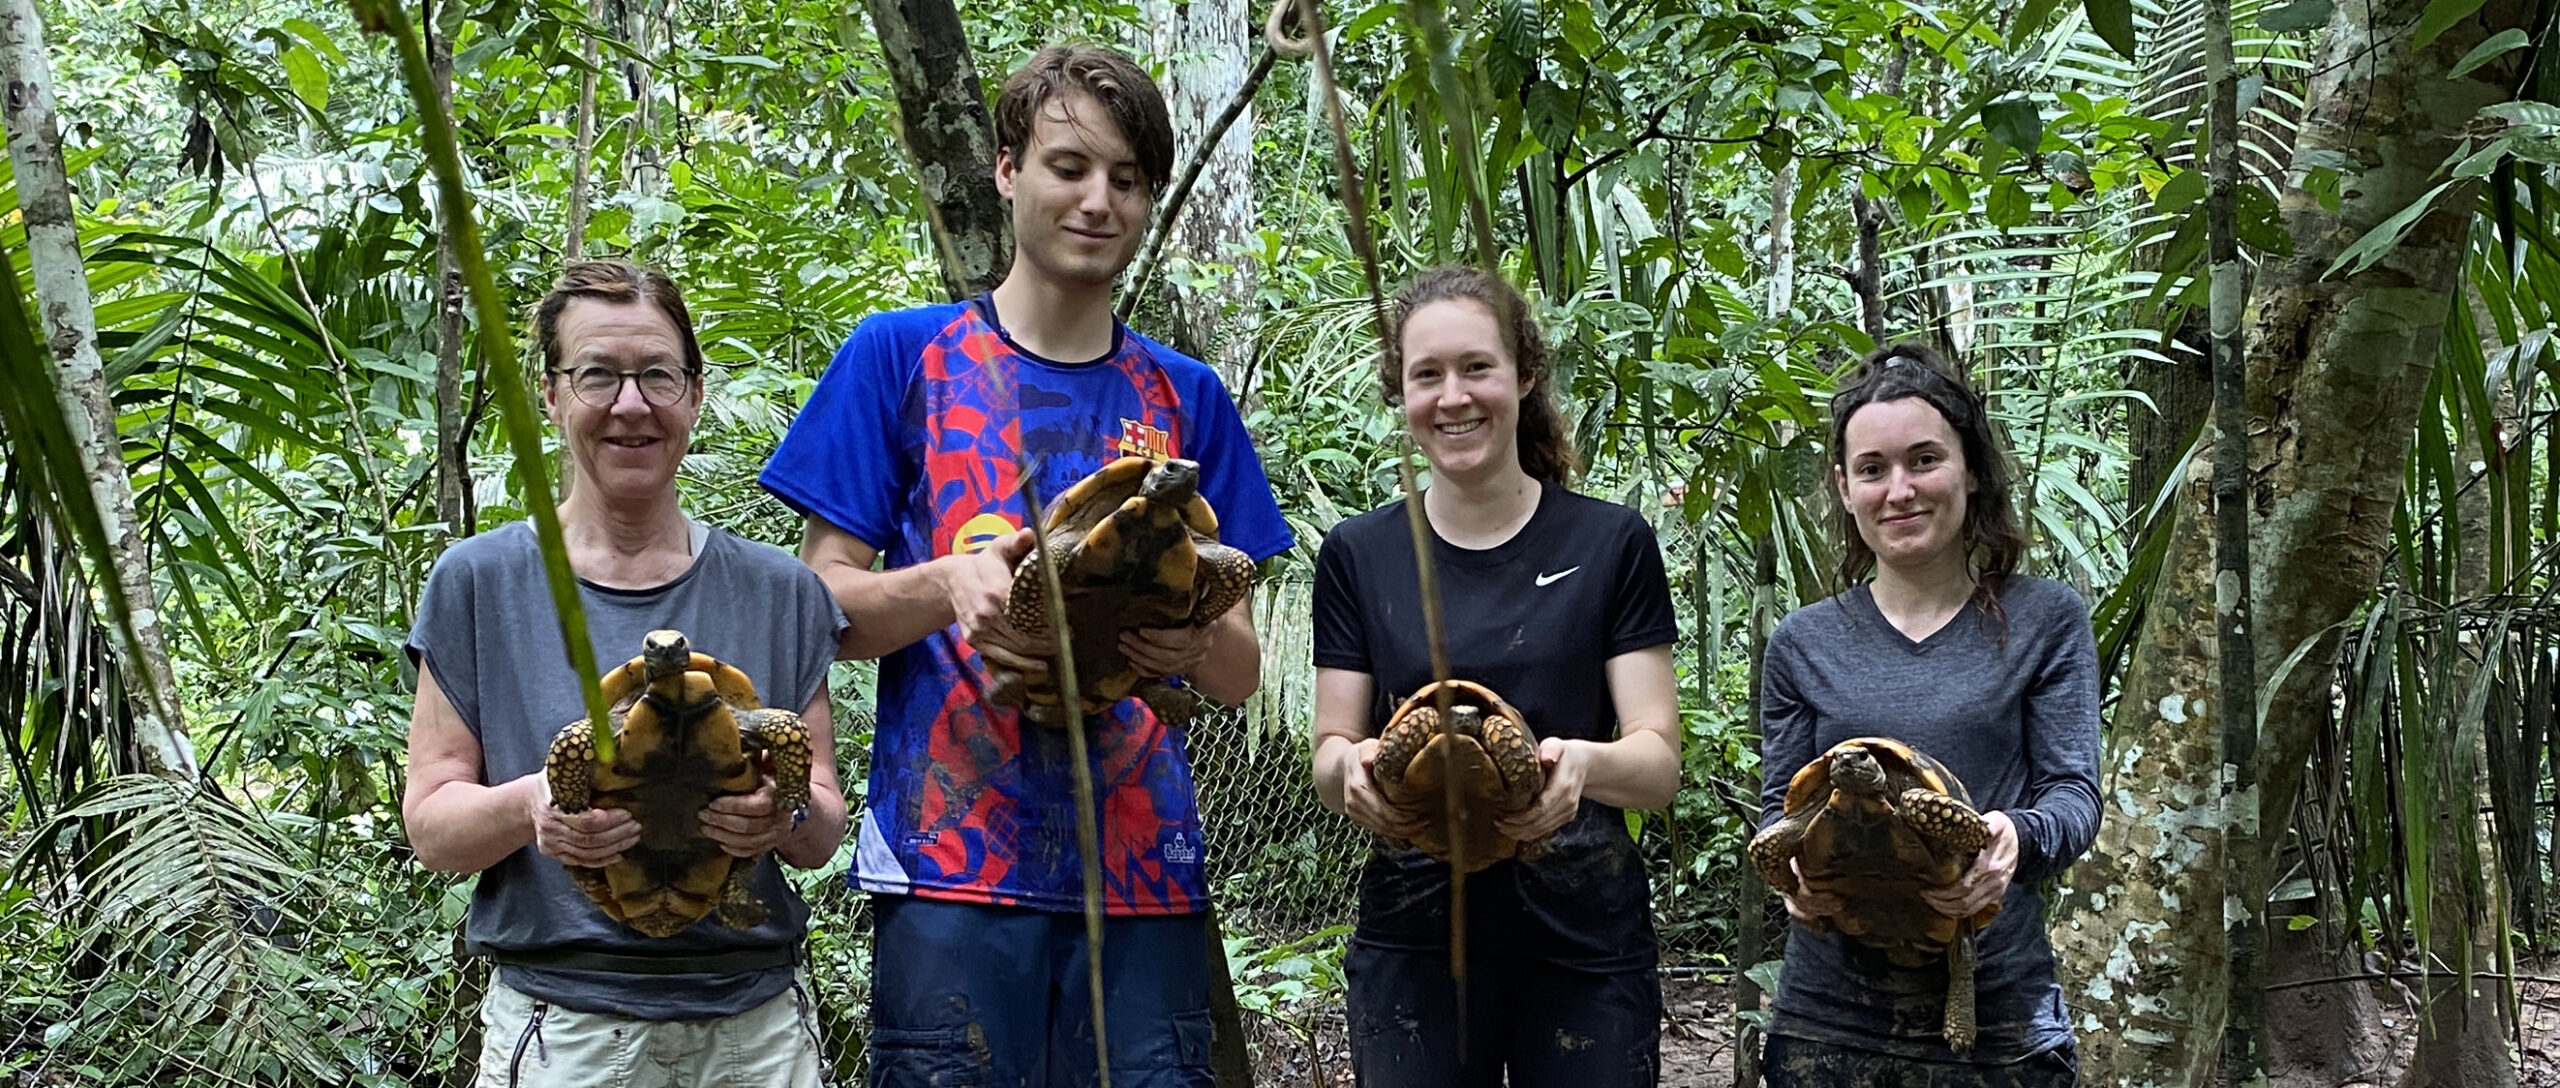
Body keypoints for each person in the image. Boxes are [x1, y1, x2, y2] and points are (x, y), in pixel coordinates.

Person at [758, 43, 1291, 1088]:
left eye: (1126, 178)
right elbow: (821, 607)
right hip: (950, 871)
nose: (1098, 200)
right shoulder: (901, 358)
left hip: (1141, 877)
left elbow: (1238, 672)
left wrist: (1186, 641)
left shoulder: (1186, 397)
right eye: (1068, 167)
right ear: (1007, 170)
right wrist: (946, 583)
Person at [402, 259, 849, 1088]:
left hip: (752, 1025)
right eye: (597, 375)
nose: (631, 404)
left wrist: (778, 812)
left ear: (695, 394)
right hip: (564, 1023)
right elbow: (432, 828)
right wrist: (534, 802)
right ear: (551, 395)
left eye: (657, 375)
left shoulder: (783, 591)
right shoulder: (478, 583)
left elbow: (820, 831)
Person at [1308, 265, 1682, 1087]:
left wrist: (1581, 766)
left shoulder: (1610, 543)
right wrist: (1353, 775)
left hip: (1583, 927)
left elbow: (1657, 765)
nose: (1454, 397)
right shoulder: (1360, 555)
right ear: (1400, 391)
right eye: (1427, 375)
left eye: (1477, 367)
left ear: (1525, 373)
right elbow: (1331, 748)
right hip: (1415, 926)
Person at [1754, 341, 2102, 1086]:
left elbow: (2074, 795)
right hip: (1827, 1014)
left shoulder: (2045, 620)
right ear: (1845, 488)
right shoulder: (1802, 643)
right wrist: (1790, 877)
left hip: (1994, 1007)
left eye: (1924, 460)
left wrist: (2011, 839)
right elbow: (1777, 807)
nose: (1900, 490)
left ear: (1970, 469)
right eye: (1873, 469)